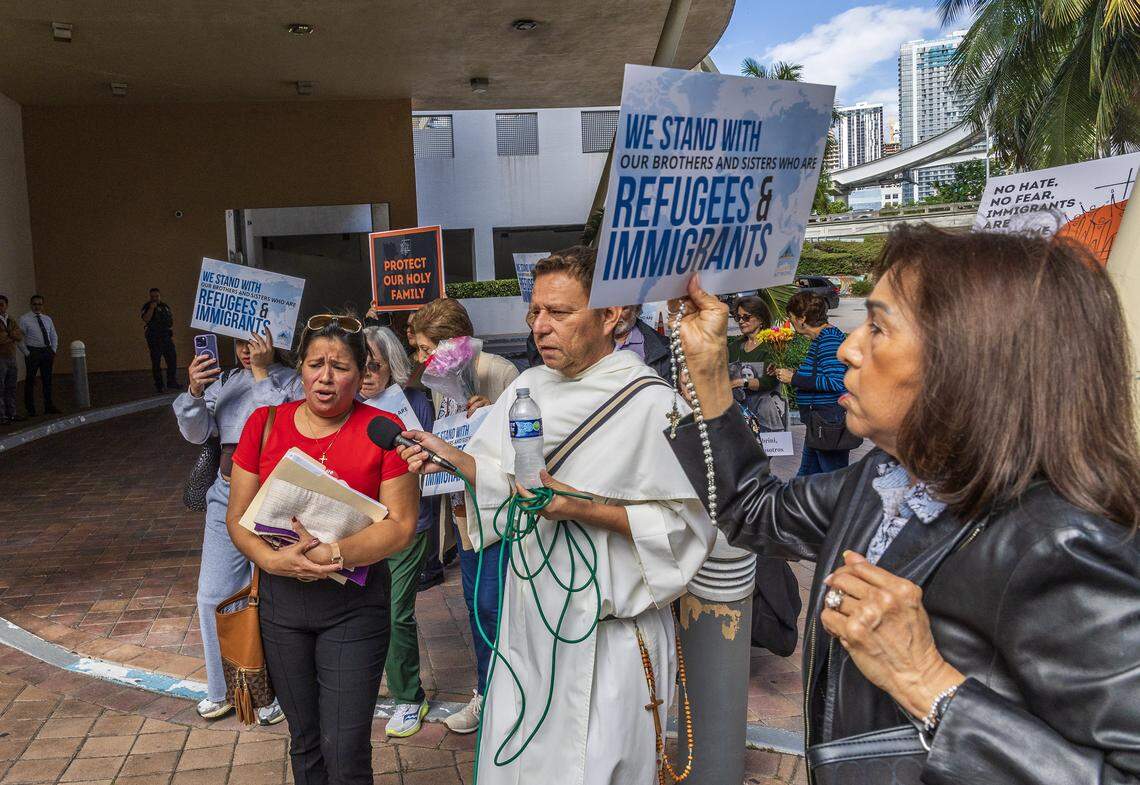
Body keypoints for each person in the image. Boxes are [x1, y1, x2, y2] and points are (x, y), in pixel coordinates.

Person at [669, 225, 1140, 784]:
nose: (849, 347)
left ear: (968, 362)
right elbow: (755, 511)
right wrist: (709, 374)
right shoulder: (889, 478)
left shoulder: (1061, 541)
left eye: (878, 327)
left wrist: (928, 682)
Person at [398, 246, 716, 784]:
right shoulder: (526, 388)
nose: (541, 327)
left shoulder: (653, 405)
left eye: (560, 313)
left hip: (610, 639)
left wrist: (579, 507)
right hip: (530, 626)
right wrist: (448, 456)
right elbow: (508, 482)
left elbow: (684, 529)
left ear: (613, 314)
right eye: (535, 312)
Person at [225, 313, 419, 785]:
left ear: (362, 371)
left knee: (345, 746)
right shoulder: (264, 423)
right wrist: (275, 560)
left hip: (354, 604)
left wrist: (333, 555)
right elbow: (238, 518)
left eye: (340, 366)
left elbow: (400, 527)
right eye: (315, 365)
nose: (326, 378)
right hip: (280, 603)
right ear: (300, 369)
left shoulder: (386, 429)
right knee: (306, 740)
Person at [173, 327, 301, 722]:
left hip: (276, 497)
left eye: (256, 342)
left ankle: (273, 692)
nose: (247, 351)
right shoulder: (225, 381)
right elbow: (196, 435)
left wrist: (263, 374)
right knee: (212, 594)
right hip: (226, 494)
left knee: (271, 596)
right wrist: (194, 392)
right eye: (240, 343)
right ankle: (223, 687)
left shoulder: (294, 381)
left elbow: (278, 428)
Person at [407, 297, 518, 733]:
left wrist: (488, 415)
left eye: (422, 348)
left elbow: (519, 447)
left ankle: (506, 695)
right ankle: (486, 692)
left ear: (451, 342)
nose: (419, 358)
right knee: (475, 607)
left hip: (495, 515)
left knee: (495, 605)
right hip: (460, 513)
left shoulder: (499, 371)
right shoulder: (438, 380)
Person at [360, 325, 437, 738]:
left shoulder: (415, 403)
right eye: (363, 363)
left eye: (377, 364)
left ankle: (409, 698)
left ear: (393, 365)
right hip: (359, 526)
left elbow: (432, 456)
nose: (369, 372)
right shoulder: (344, 406)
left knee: (394, 612)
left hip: (407, 525)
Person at [772, 291, 849, 475]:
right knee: (806, 477)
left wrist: (794, 378)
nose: (790, 323)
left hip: (828, 423)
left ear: (802, 318)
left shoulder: (829, 339)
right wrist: (795, 373)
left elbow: (836, 382)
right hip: (819, 423)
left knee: (832, 480)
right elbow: (820, 373)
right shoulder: (822, 338)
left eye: (791, 318)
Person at [527, 304, 671, 379]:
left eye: (625, 308)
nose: (617, 315)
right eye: (609, 308)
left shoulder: (662, 347)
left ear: (637, 309)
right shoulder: (570, 341)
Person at [727, 296, 786, 431]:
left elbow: (768, 382)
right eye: (738, 317)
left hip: (766, 416)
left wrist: (739, 382)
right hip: (740, 415)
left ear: (760, 319)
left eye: (746, 317)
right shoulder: (735, 346)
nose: (741, 321)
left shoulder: (772, 345)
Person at [18, 294, 59, 416]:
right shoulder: (24, 319)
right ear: (31, 305)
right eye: (35, 304)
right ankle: (30, 409)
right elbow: (19, 338)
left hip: (46, 351)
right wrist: (26, 353)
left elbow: (53, 335)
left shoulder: (47, 319)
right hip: (33, 351)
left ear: (42, 305)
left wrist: (53, 350)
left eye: (39, 304)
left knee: (47, 380)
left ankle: (48, 405)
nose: (37, 306)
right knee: (30, 380)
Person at [141, 287, 178, 392]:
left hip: (166, 336)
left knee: (172, 360)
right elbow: (145, 319)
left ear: (159, 296)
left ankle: (172, 382)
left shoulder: (165, 306)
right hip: (154, 338)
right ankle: (159, 385)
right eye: (152, 297)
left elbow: (170, 320)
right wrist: (152, 308)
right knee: (156, 362)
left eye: (156, 296)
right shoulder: (147, 306)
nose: (155, 298)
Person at [0, 295, 24, 425]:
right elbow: (0, 339)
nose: (0, 307)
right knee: (1, 387)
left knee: (11, 386)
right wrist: (11, 335)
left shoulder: (11, 319)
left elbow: (19, 335)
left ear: (6, 305)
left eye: (2, 304)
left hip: (11, 356)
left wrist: (8, 334)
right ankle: (2, 415)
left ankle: (12, 413)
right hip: (1, 358)